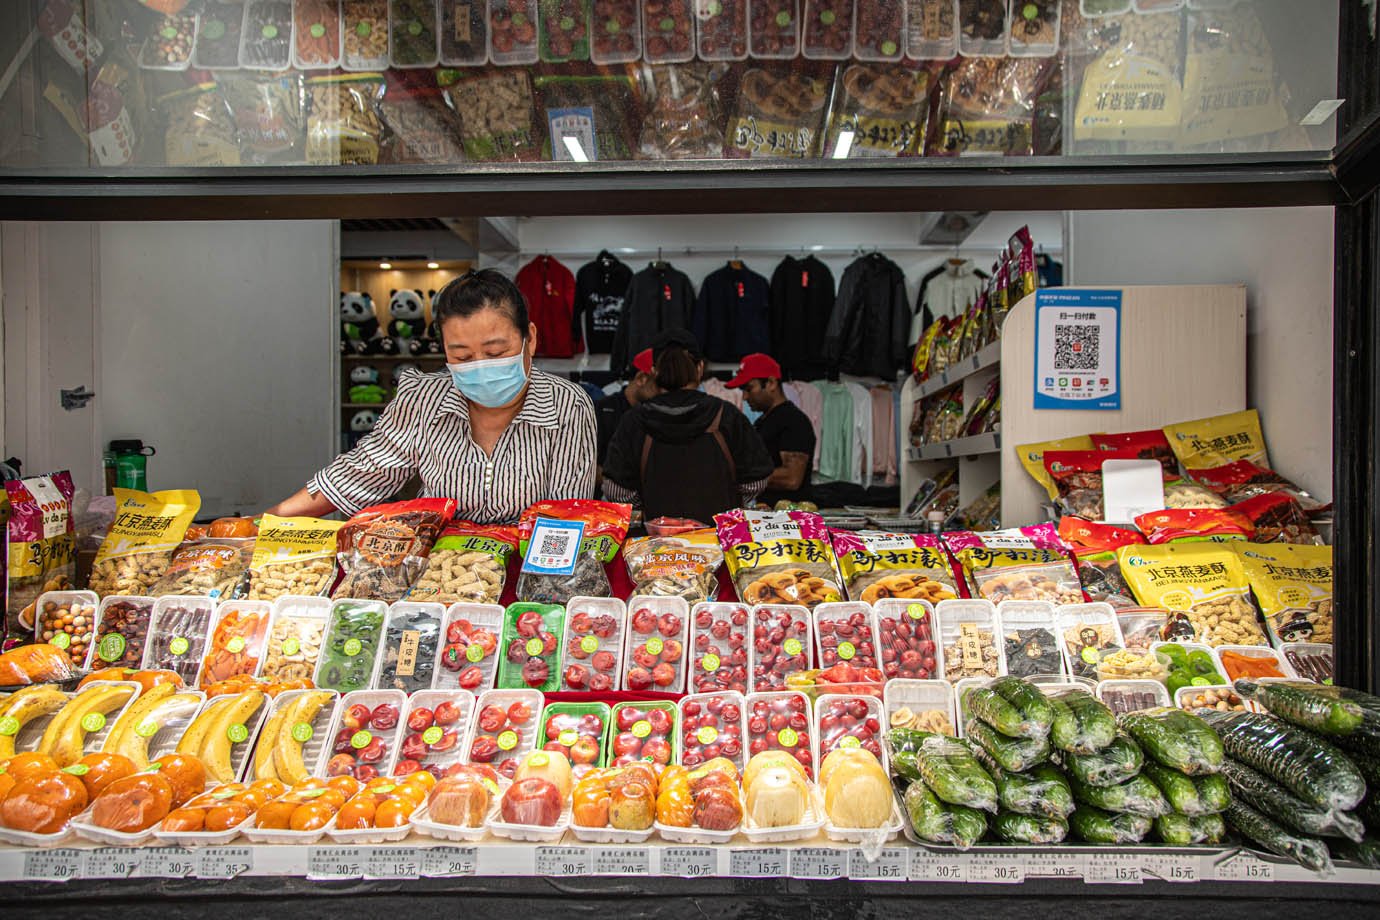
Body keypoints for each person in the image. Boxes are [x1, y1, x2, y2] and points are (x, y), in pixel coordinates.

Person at [268, 269, 596, 524]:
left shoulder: (567, 404)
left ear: (531, 339)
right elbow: (359, 474)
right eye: (463, 357)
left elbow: (565, 516)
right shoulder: (422, 398)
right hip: (445, 573)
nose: (481, 367)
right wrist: (266, 523)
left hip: (530, 571)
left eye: (496, 352)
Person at [602, 329, 772, 525]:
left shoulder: (634, 421)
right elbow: (756, 481)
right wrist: (730, 499)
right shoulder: (726, 415)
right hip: (719, 539)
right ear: (699, 368)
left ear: (655, 372)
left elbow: (616, 490)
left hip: (658, 544)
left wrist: (646, 507)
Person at [727, 353, 816, 507]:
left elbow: (792, 478)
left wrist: (738, 475)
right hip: (768, 516)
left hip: (790, 520)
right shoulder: (763, 422)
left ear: (771, 383)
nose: (745, 397)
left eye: (749, 388)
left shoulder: (794, 421)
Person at [594, 348, 658, 467]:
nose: (665, 391)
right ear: (641, 379)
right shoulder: (602, 410)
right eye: (659, 384)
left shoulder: (657, 413)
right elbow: (582, 468)